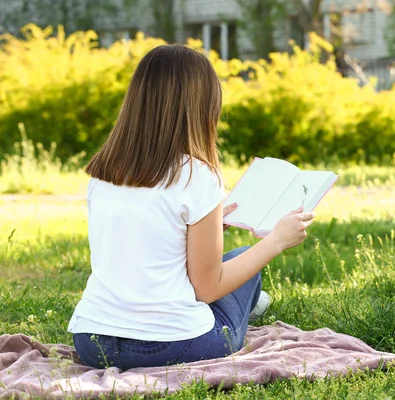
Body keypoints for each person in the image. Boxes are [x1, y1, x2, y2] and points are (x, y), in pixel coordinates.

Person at [68, 44, 315, 370]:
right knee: (244, 264)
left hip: (92, 341)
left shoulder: (102, 172)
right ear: (202, 107)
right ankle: (245, 310)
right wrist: (275, 241)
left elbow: (142, 243)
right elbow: (206, 289)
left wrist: (208, 223)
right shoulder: (196, 175)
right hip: (172, 345)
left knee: (228, 261)